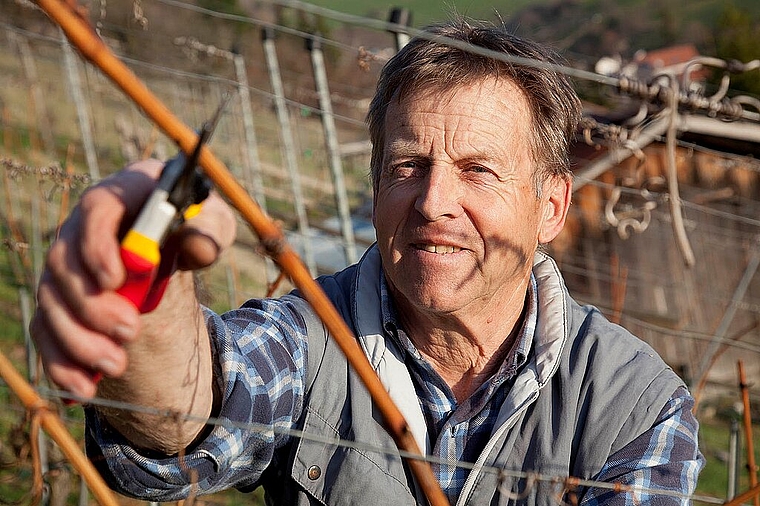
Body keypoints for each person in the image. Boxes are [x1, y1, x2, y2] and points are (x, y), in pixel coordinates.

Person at [31, 18, 703, 506]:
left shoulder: (635, 409)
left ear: (550, 206)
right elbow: (193, 417)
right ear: (378, 185)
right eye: (408, 166)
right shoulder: (310, 338)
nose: (434, 200)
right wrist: (145, 302)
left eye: (478, 170)